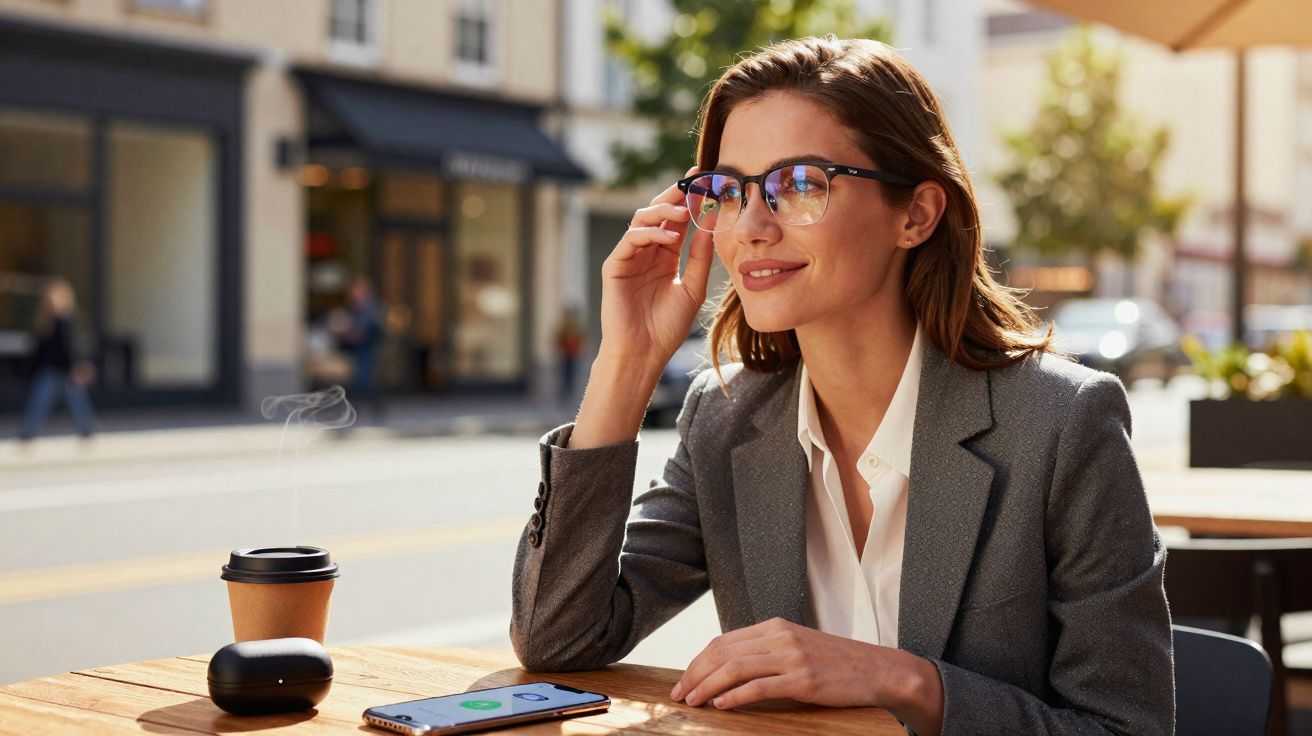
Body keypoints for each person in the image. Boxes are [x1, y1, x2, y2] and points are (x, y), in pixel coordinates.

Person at [510, 36, 1172, 735]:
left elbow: (1128, 727)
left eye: (799, 185)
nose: (752, 227)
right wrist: (628, 362)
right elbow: (559, 639)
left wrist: (908, 683)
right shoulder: (726, 416)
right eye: (730, 191)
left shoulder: (1062, 423)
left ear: (916, 214)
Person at [18, 279, 98, 440]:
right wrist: (31, 370)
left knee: (78, 402)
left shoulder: (68, 321)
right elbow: (38, 351)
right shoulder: (44, 322)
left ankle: (87, 428)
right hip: (49, 369)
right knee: (39, 401)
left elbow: (74, 348)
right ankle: (29, 431)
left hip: (68, 370)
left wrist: (78, 366)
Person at [337, 275, 384, 419]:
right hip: (360, 347)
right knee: (361, 378)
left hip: (366, 347)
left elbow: (364, 329)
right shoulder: (359, 306)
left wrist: (350, 333)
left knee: (363, 379)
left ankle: (370, 407)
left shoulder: (368, 307)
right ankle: (359, 408)